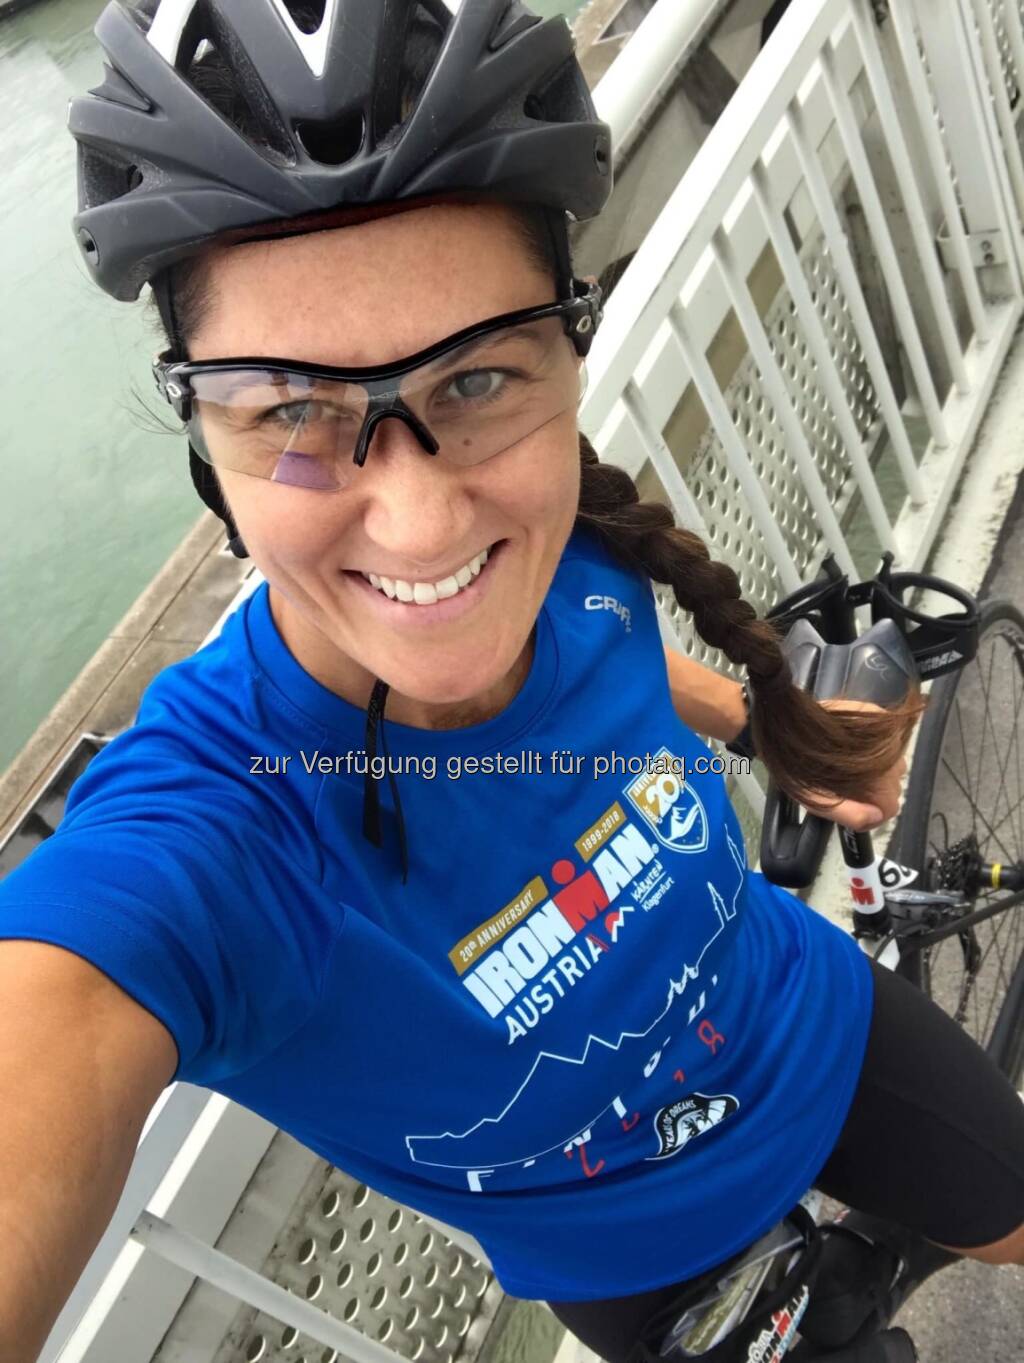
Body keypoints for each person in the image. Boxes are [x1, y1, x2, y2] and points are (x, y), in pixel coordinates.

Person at [1, 2, 1022, 1360]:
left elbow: (607, 664)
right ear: (202, 438)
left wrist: (767, 726)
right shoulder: (218, 828)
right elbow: (67, 989)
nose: (423, 526)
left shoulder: (573, 564)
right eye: (291, 409)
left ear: (568, 358)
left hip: (805, 1026)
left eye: (479, 378)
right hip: (629, 1249)